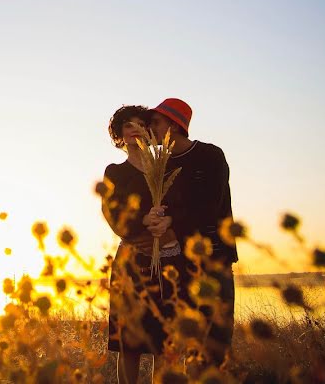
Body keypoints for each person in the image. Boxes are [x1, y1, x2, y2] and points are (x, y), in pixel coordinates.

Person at [148, 97, 238, 368]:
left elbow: (210, 204)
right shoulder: (158, 166)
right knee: (179, 340)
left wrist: (171, 222)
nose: (150, 129)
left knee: (214, 343)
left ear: (174, 126)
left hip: (214, 260)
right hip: (175, 262)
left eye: (156, 122)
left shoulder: (211, 155)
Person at [101, 105, 185, 384]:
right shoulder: (115, 171)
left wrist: (167, 225)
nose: (135, 128)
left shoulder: (167, 166)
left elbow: (185, 207)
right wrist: (142, 223)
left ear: (149, 130)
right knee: (129, 340)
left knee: (169, 340)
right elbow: (112, 213)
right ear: (120, 135)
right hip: (132, 259)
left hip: (169, 259)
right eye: (128, 125)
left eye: (140, 123)